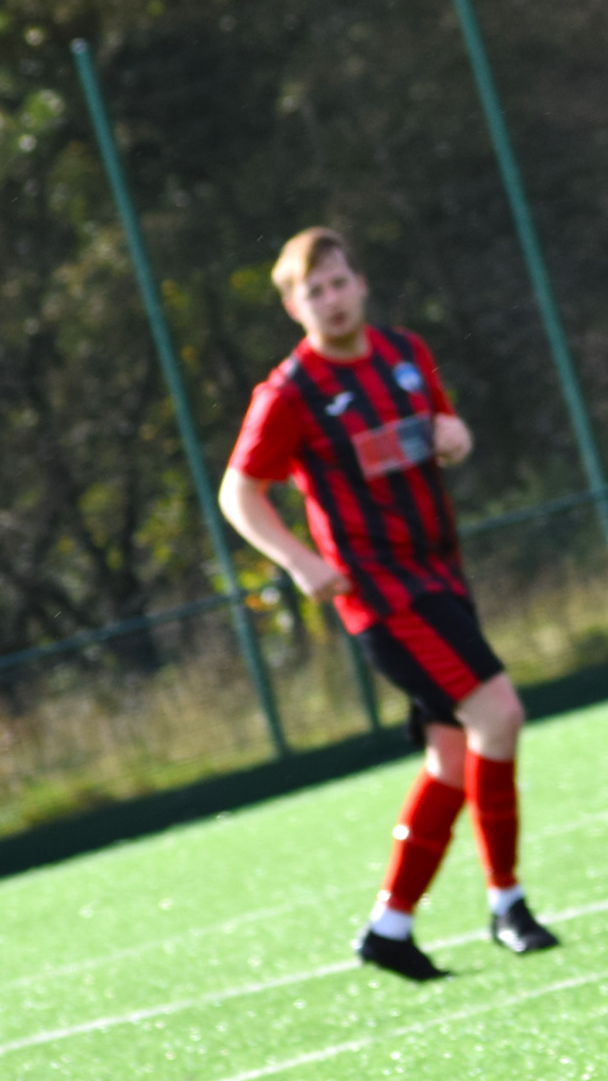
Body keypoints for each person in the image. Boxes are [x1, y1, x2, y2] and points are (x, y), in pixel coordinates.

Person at [220, 227, 559, 980]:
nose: (331, 300)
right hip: (381, 594)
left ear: (360, 284)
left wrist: (456, 434)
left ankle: (391, 926)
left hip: (441, 575)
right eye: (314, 292)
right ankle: (508, 903)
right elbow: (238, 491)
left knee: (448, 758)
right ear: (292, 305)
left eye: (339, 283)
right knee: (498, 716)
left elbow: (444, 428)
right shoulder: (289, 393)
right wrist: (300, 561)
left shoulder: (404, 354)